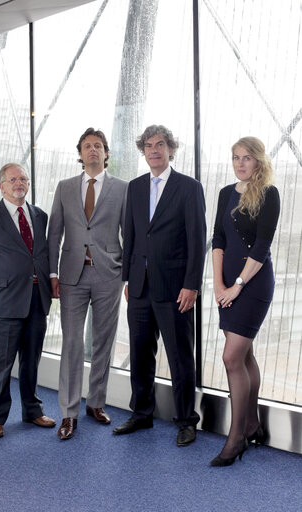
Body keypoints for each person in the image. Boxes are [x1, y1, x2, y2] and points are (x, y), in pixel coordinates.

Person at [113, 125, 206, 446]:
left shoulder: (189, 187)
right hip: (139, 285)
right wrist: (127, 277)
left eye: (160, 144)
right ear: (143, 151)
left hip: (175, 287)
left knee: (180, 356)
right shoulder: (135, 187)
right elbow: (132, 234)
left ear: (170, 149)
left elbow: (196, 239)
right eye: (149, 146)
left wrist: (192, 285)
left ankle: (186, 421)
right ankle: (141, 414)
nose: (154, 150)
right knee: (140, 353)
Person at [48, 127, 128, 440]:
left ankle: (96, 403)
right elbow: (54, 233)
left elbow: (129, 235)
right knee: (71, 344)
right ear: (80, 154)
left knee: (103, 341)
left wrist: (128, 275)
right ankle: (68, 413)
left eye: (97, 145)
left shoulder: (122, 188)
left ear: (106, 153)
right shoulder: (65, 187)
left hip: (109, 274)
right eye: (86, 146)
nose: (92, 150)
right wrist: (53, 273)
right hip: (71, 276)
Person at [0, 163, 56, 438]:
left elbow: (40, 255)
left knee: (31, 361)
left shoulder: (39, 216)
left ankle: (32, 410)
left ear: (28, 185)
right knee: (0, 362)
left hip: (35, 300)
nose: (19, 183)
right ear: (1, 186)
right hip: (3, 302)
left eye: (24, 179)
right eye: (13, 179)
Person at [210, 136, 280, 466]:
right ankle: (252, 424)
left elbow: (262, 247)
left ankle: (236, 437)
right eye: (236, 157)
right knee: (245, 355)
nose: (240, 163)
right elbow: (218, 240)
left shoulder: (269, 194)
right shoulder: (226, 193)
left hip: (253, 285)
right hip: (228, 286)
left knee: (231, 357)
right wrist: (218, 283)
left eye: (247, 158)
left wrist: (236, 285)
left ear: (258, 161)